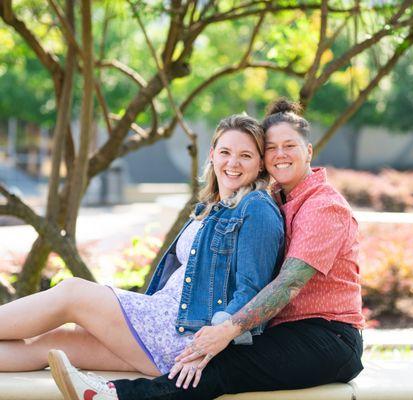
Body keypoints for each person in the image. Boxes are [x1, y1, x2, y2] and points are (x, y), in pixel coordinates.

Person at [49, 99, 364, 400]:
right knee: (213, 358)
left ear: (308, 151)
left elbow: (289, 282)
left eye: (290, 146)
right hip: (283, 332)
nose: (280, 154)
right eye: (271, 148)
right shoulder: (276, 199)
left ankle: (114, 396)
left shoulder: (323, 206)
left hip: (329, 338)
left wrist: (227, 329)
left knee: (221, 368)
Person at [0, 114, 284, 379]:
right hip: (164, 329)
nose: (232, 163)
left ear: (260, 163)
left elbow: (252, 291)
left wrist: (214, 341)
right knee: (54, 343)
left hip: (183, 334)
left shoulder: (256, 208)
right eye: (225, 152)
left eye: (245, 155)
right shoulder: (212, 208)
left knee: (73, 293)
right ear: (212, 154)